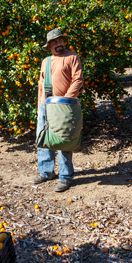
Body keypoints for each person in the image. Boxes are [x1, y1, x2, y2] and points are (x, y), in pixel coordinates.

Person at [33, 28, 84, 192]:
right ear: (49, 46)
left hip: (63, 105)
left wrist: (66, 99)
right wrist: (40, 104)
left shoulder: (72, 57)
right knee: (44, 139)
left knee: (64, 140)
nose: (58, 44)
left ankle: (65, 177)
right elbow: (41, 85)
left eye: (60, 40)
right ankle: (46, 172)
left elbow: (78, 80)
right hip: (45, 105)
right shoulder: (46, 61)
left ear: (64, 42)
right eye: (54, 42)